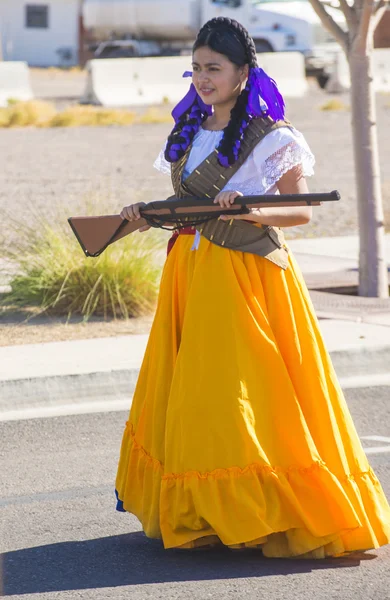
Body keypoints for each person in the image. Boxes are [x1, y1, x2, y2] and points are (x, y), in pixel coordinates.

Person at [115, 17, 390, 559]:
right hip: (191, 273)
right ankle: (207, 511)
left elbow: (301, 214)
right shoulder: (191, 132)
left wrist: (251, 210)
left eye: (213, 68)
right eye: (195, 68)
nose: (202, 78)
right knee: (196, 397)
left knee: (242, 396)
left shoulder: (276, 137)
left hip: (247, 276)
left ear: (243, 73)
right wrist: (146, 215)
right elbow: (188, 206)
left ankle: (267, 510)